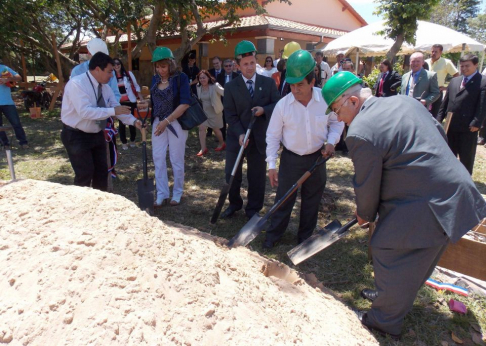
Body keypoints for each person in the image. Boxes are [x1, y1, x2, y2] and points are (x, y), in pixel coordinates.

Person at [321, 71, 486, 340]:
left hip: (428, 202)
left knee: (387, 246)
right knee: (421, 254)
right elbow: (436, 140)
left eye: (337, 111)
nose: (338, 119)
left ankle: (384, 319)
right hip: (455, 190)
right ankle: (392, 295)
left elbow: (367, 183)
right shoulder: (405, 101)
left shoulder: (361, 131)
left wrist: (364, 214)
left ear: (352, 100)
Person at [264, 50, 343, 249]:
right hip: (291, 160)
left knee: (311, 202)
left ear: (312, 80)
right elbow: (273, 136)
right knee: (283, 200)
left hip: (317, 158)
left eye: (300, 84)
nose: (296, 90)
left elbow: (336, 122)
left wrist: (332, 141)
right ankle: (273, 236)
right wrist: (271, 165)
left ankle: (304, 238)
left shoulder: (325, 100)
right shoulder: (283, 105)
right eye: (292, 84)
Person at [61, 52, 142, 191]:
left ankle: (100, 206)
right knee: (84, 174)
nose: (112, 75)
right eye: (109, 71)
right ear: (97, 69)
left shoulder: (105, 88)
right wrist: (113, 112)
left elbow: (117, 108)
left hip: (97, 133)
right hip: (76, 135)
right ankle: (81, 208)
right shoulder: (77, 84)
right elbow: (85, 112)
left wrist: (135, 122)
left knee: (102, 173)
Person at [221, 40, 280, 220]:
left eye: (252, 63)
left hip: (259, 137)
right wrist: (239, 133)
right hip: (237, 138)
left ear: (256, 62)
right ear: (238, 66)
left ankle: (253, 209)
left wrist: (264, 110)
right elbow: (229, 114)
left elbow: (277, 105)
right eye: (245, 64)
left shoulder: (268, 83)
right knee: (233, 173)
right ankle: (234, 204)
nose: (249, 67)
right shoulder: (231, 87)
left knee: (256, 176)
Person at [151, 47, 191, 207]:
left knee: (176, 159)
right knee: (158, 158)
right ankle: (161, 194)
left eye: (164, 66)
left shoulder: (181, 78)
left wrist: (166, 121)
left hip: (176, 123)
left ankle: (177, 193)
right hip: (158, 122)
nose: (161, 70)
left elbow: (185, 103)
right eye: (158, 67)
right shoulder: (155, 80)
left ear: (170, 64)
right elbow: (155, 101)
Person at [436, 54, 486, 175]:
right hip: (451, 125)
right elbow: (445, 103)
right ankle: (449, 180)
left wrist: (476, 122)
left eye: (467, 66)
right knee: (449, 156)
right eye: (462, 66)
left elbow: (483, 105)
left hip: (468, 127)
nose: (463, 68)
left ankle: (465, 183)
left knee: (466, 158)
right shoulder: (455, 81)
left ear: (475, 65)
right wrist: (438, 120)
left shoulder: (483, 82)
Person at [113, 58, 144, 150]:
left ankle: (133, 140)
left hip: (130, 101)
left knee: (132, 122)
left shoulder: (128, 74)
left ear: (121, 64)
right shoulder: (111, 77)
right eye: (114, 64)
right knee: (122, 123)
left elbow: (136, 86)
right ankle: (124, 142)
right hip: (119, 103)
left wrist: (141, 98)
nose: (116, 66)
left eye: (118, 63)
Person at [195, 70, 225, 156]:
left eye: (204, 77)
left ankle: (222, 143)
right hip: (204, 113)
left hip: (215, 112)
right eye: (200, 78)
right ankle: (203, 148)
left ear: (208, 77)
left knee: (216, 130)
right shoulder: (198, 86)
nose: (202, 79)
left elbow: (225, 93)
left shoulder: (215, 86)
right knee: (201, 128)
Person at [0, 61, 28, 149]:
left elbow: (18, 77)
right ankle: (5, 144)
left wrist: (7, 79)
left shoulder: (3, 68)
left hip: (7, 102)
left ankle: (23, 142)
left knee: (16, 123)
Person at [425, 44, 459, 118]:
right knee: (422, 112)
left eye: (436, 52)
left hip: (437, 91)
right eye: (432, 51)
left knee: (434, 114)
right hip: (425, 91)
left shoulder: (446, 63)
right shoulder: (425, 62)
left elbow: (456, 75)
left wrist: (447, 88)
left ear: (441, 52)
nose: (433, 53)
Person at [216, 59, 239, 140]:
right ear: (224, 67)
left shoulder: (237, 76)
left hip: (234, 101)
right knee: (222, 118)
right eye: (226, 66)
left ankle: (234, 136)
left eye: (230, 65)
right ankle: (222, 137)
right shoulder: (219, 76)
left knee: (233, 118)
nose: (228, 67)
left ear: (233, 66)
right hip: (222, 100)